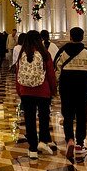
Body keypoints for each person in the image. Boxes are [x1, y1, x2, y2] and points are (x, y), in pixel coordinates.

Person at [54, 26, 87, 162]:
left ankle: (69, 140)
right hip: (83, 89)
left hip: (66, 88)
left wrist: (57, 83)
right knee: (81, 115)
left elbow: (56, 69)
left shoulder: (62, 52)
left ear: (70, 37)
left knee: (67, 115)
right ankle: (80, 143)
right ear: (82, 37)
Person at [15, 29, 57, 160]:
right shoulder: (45, 53)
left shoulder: (22, 53)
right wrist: (53, 90)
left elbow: (17, 74)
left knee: (29, 119)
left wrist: (19, 90)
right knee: (44, 117)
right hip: (43, 91)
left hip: (26, 91)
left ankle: (32, 148)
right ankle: (43, 142)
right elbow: (50, 74)